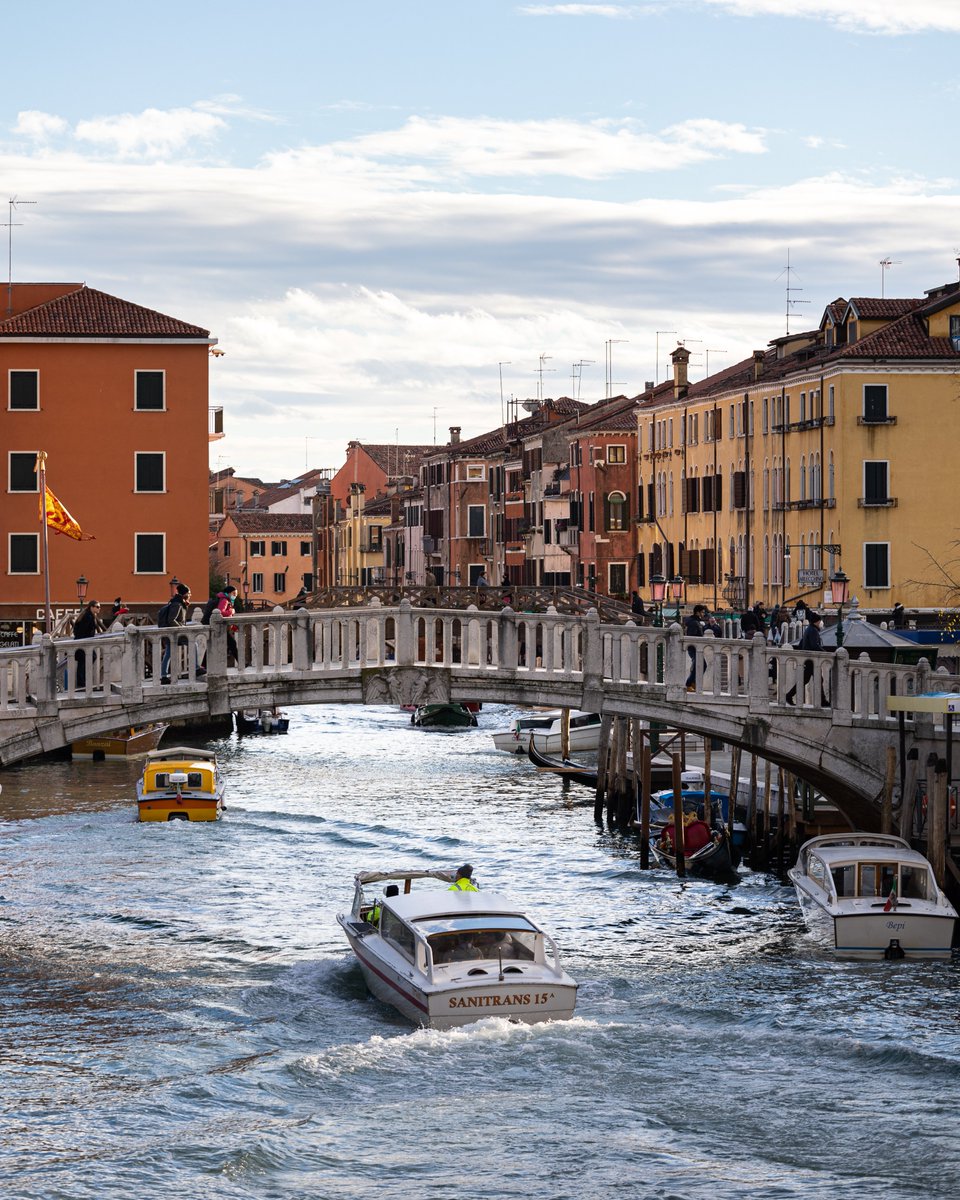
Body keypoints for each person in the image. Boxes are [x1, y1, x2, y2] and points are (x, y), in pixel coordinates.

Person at [785, 610, 829, 706]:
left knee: (807, 680)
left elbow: (802, 644)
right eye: (819, 621)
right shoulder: (813, 631)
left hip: (808, 659)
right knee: (816, 679)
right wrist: (824, 653)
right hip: (811, 660)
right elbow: (814, 645)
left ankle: (789, 695)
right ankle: (822, 701)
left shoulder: (809, 629)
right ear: (816, 622)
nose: (820, 623)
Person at [159, 583, 198, 684]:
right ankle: (196, 668)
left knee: (168, 654)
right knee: (194, 644)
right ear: (184, 594)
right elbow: (172, 620)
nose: (190, 595)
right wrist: (182, 629)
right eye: (189, 593)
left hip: (172, 632)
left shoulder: (177, 602)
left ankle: (163, 676)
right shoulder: (177, 604)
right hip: (176, 632)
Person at [201, 584, 239, 667]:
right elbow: (220, 612)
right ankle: (241, 662)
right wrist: (231, 612)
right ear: (228, 593)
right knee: (232, 644)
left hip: (215, 625)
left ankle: (203, 665)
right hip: (219, 626)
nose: (235, 596)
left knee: (213, 644)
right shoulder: (224, 600)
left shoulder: (220, 598)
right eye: (234, 594)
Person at [73, 599, 103, 688]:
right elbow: (84, 630)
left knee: (83, 662)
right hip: (84, 643)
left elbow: (77, 630)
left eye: (100, 607)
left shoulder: (86, 615)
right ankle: (81, 683)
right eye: (97, 607)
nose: (99, 609)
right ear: (92, 607)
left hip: (81, 642)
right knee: (87, 660)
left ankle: (82, 682)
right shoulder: (88, 616)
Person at [684, 604, 707, 689]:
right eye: (702, 612)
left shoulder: (695, 621)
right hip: (694, 648)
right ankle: (689, 684)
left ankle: (692, 682)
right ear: (698, 612)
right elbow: (693, 636)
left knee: (700, 665)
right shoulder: (694, 622)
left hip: (696, 648)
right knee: (702, 665)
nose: (704, 614)